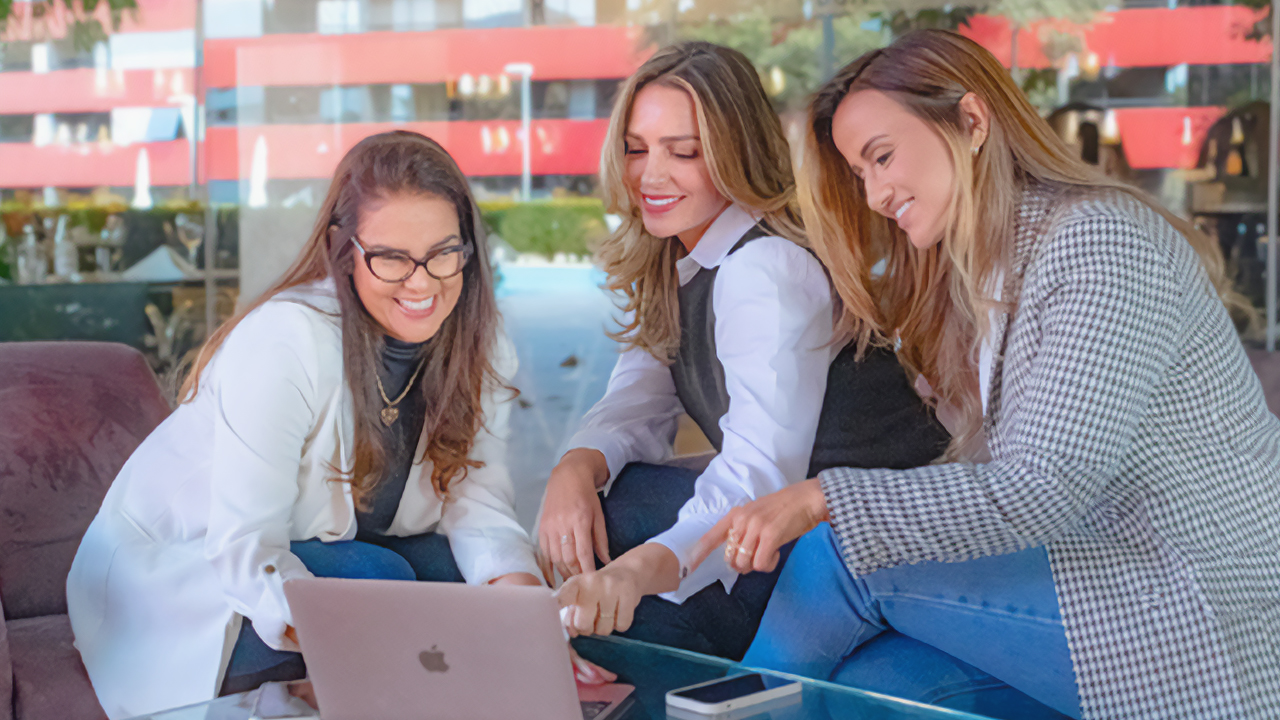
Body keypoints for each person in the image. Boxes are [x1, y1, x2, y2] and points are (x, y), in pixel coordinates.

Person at [685, 30, 1280, 720]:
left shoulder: (1099, 242)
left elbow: (1045, 485)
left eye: (882, 157)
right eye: (859, 172)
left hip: (1195, 605)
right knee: (876, 685)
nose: (874, 194)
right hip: (1097, 577)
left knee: (841, 551)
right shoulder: (989, 269)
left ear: (971, 120)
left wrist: (823, 497)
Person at [66, 131, 611, 720]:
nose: (422, 283)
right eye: (391, 258)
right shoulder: (285, 341)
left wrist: (531, 628)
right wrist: (363, 647)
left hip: (327, 552)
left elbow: (477, 505)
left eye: (443, 253)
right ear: (343, 249)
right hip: (187, 574)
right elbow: (245, 547)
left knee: (460, 583)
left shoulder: (475, 345)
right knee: (377, 579)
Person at [543, 41, 947, 660]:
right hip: (789, 529)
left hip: (861, 543)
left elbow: (758, 473)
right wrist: (575, 468)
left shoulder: (764, 266)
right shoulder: (679, 256)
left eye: (683, 152)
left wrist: (637, 571)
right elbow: (638, 400)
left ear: (738, 155)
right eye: (635, 148)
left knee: (625, 528)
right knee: (606, 499)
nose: (651, 175)